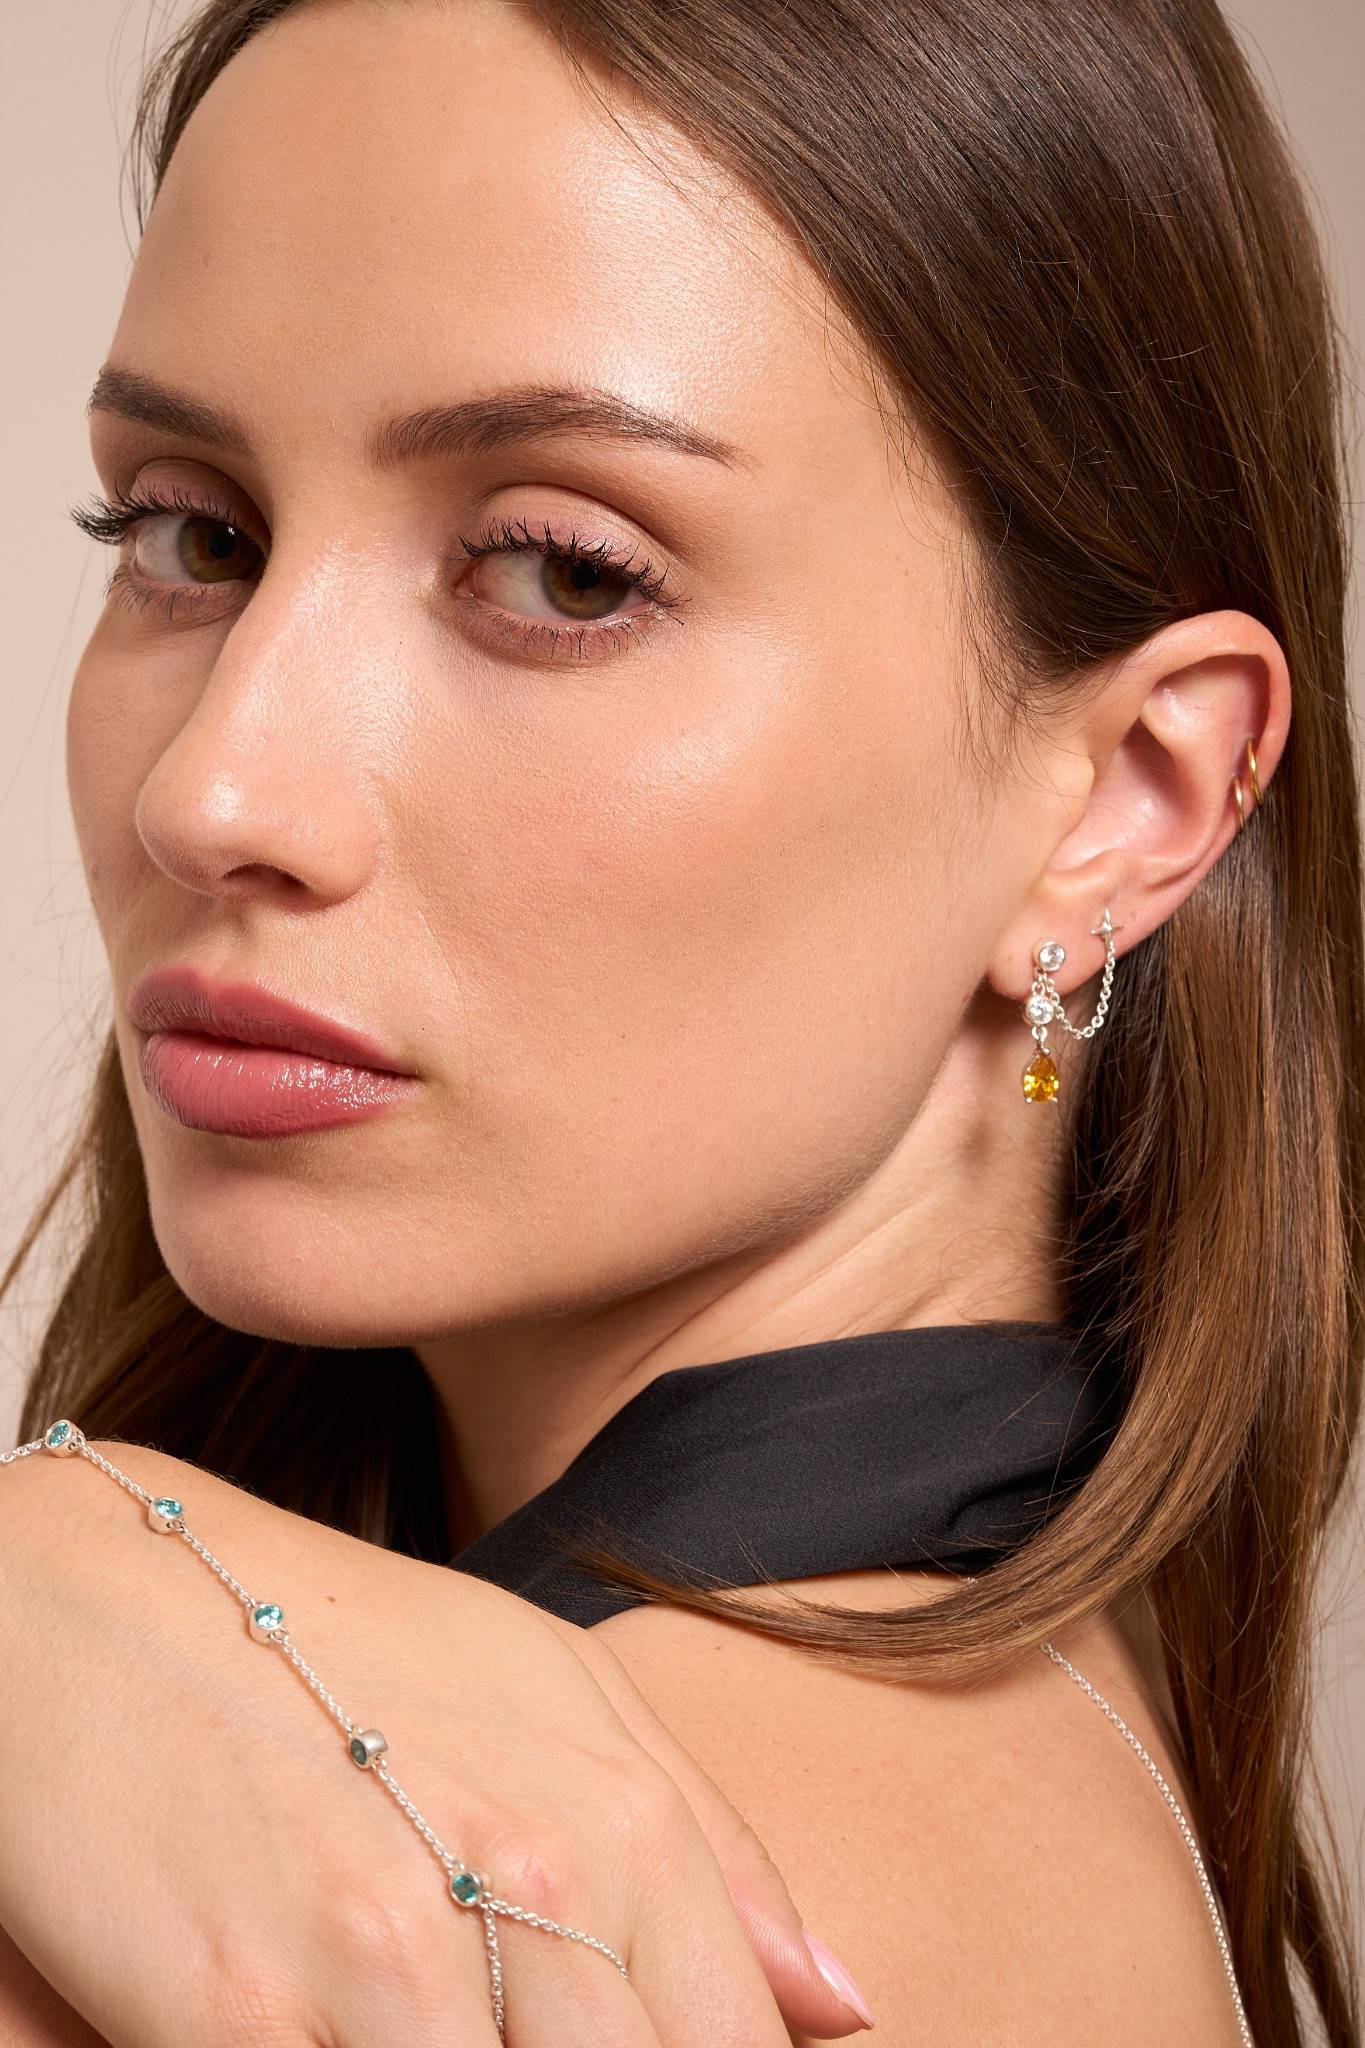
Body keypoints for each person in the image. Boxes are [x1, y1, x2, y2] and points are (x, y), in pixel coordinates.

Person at [1, 0, 1360, 2041]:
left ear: (1125, 797)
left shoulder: (413, 1939)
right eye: (196, 536)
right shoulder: (1045, 1758)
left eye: (562, 575)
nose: (212, 792)